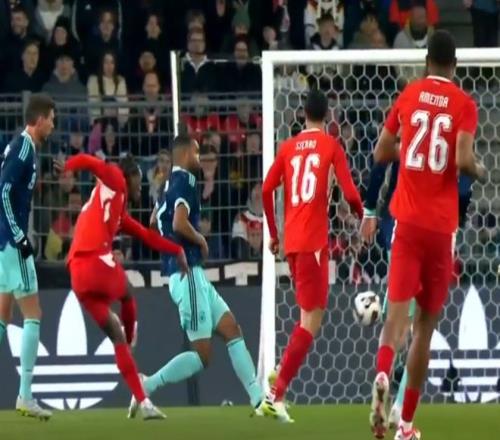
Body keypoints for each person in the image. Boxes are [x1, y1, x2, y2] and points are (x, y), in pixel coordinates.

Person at [367, 30, 485, 440]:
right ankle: (405, 426)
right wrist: (479, 169)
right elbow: (464, 160)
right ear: (455, 65)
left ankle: (382, 373)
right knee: (424, 329)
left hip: (406, 223)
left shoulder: (409, 94)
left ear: (426, 61)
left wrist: (408, 149)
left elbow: (380, 153)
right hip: (440, 229)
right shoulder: (465, 104)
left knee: (395, 320)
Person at [128, 134, 265, 418]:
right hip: (187, 274)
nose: (200, 158)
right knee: (202, 355)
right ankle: (147, 385)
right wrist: (200, 239)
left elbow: (153, 223)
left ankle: (258, 399)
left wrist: (169, 249)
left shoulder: (166, 184)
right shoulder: (186, 180)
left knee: (231, 328)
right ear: (186, 154)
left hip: (190, 274)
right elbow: (179, 223)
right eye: (197, 152)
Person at [53, 153, 188, 420]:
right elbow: (92, 162)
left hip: (77, 275)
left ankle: (143, 401)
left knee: (115, 336)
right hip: (94, 259)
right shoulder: (116, 179)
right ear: (131, 175)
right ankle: (131, 337)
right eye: (139, 180)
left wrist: (176, 250)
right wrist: (67, 166)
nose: (141, 187)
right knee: (127, 293)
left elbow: (147, 236)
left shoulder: (118, 211)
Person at [261, 89, 363, 422]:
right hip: (314, 244)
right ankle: (275, 394)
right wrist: (362, 215)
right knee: (311, 322)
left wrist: (274, 234)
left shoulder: (288, 147)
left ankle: (280, 375)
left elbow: (266, 189)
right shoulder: (331, 146)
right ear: (328, 116)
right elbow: (350, 193)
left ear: (303, 114)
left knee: (306, 315)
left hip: (292, 243)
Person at [0, 94, 55, 420]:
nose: (53, 125)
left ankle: (24, 395)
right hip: (12, 241)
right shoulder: (23, 149)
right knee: (33, 315)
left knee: (3, 316)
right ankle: (25, 395)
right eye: (51, 119)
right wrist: (20, 236)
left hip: (3, 242)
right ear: (39, 119)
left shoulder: (24, 148)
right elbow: (3, 191)